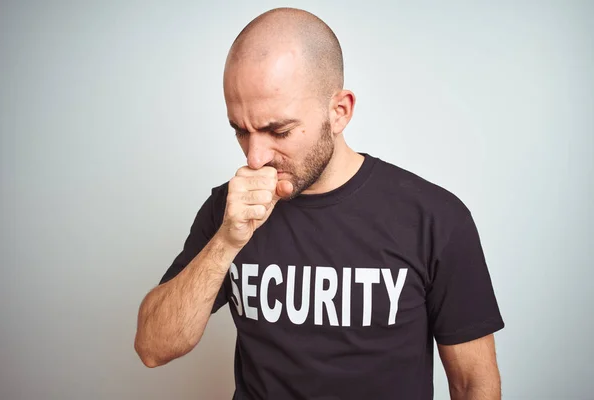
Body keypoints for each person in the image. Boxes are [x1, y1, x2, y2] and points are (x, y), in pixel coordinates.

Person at [134, 7, 505, 400]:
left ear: (339, 111)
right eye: (241, 131)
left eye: (279, 130)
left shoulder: (434, 218)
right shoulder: (228, 211)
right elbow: (153, 348)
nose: (255, 157)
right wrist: (226, 242)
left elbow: (473, 384)